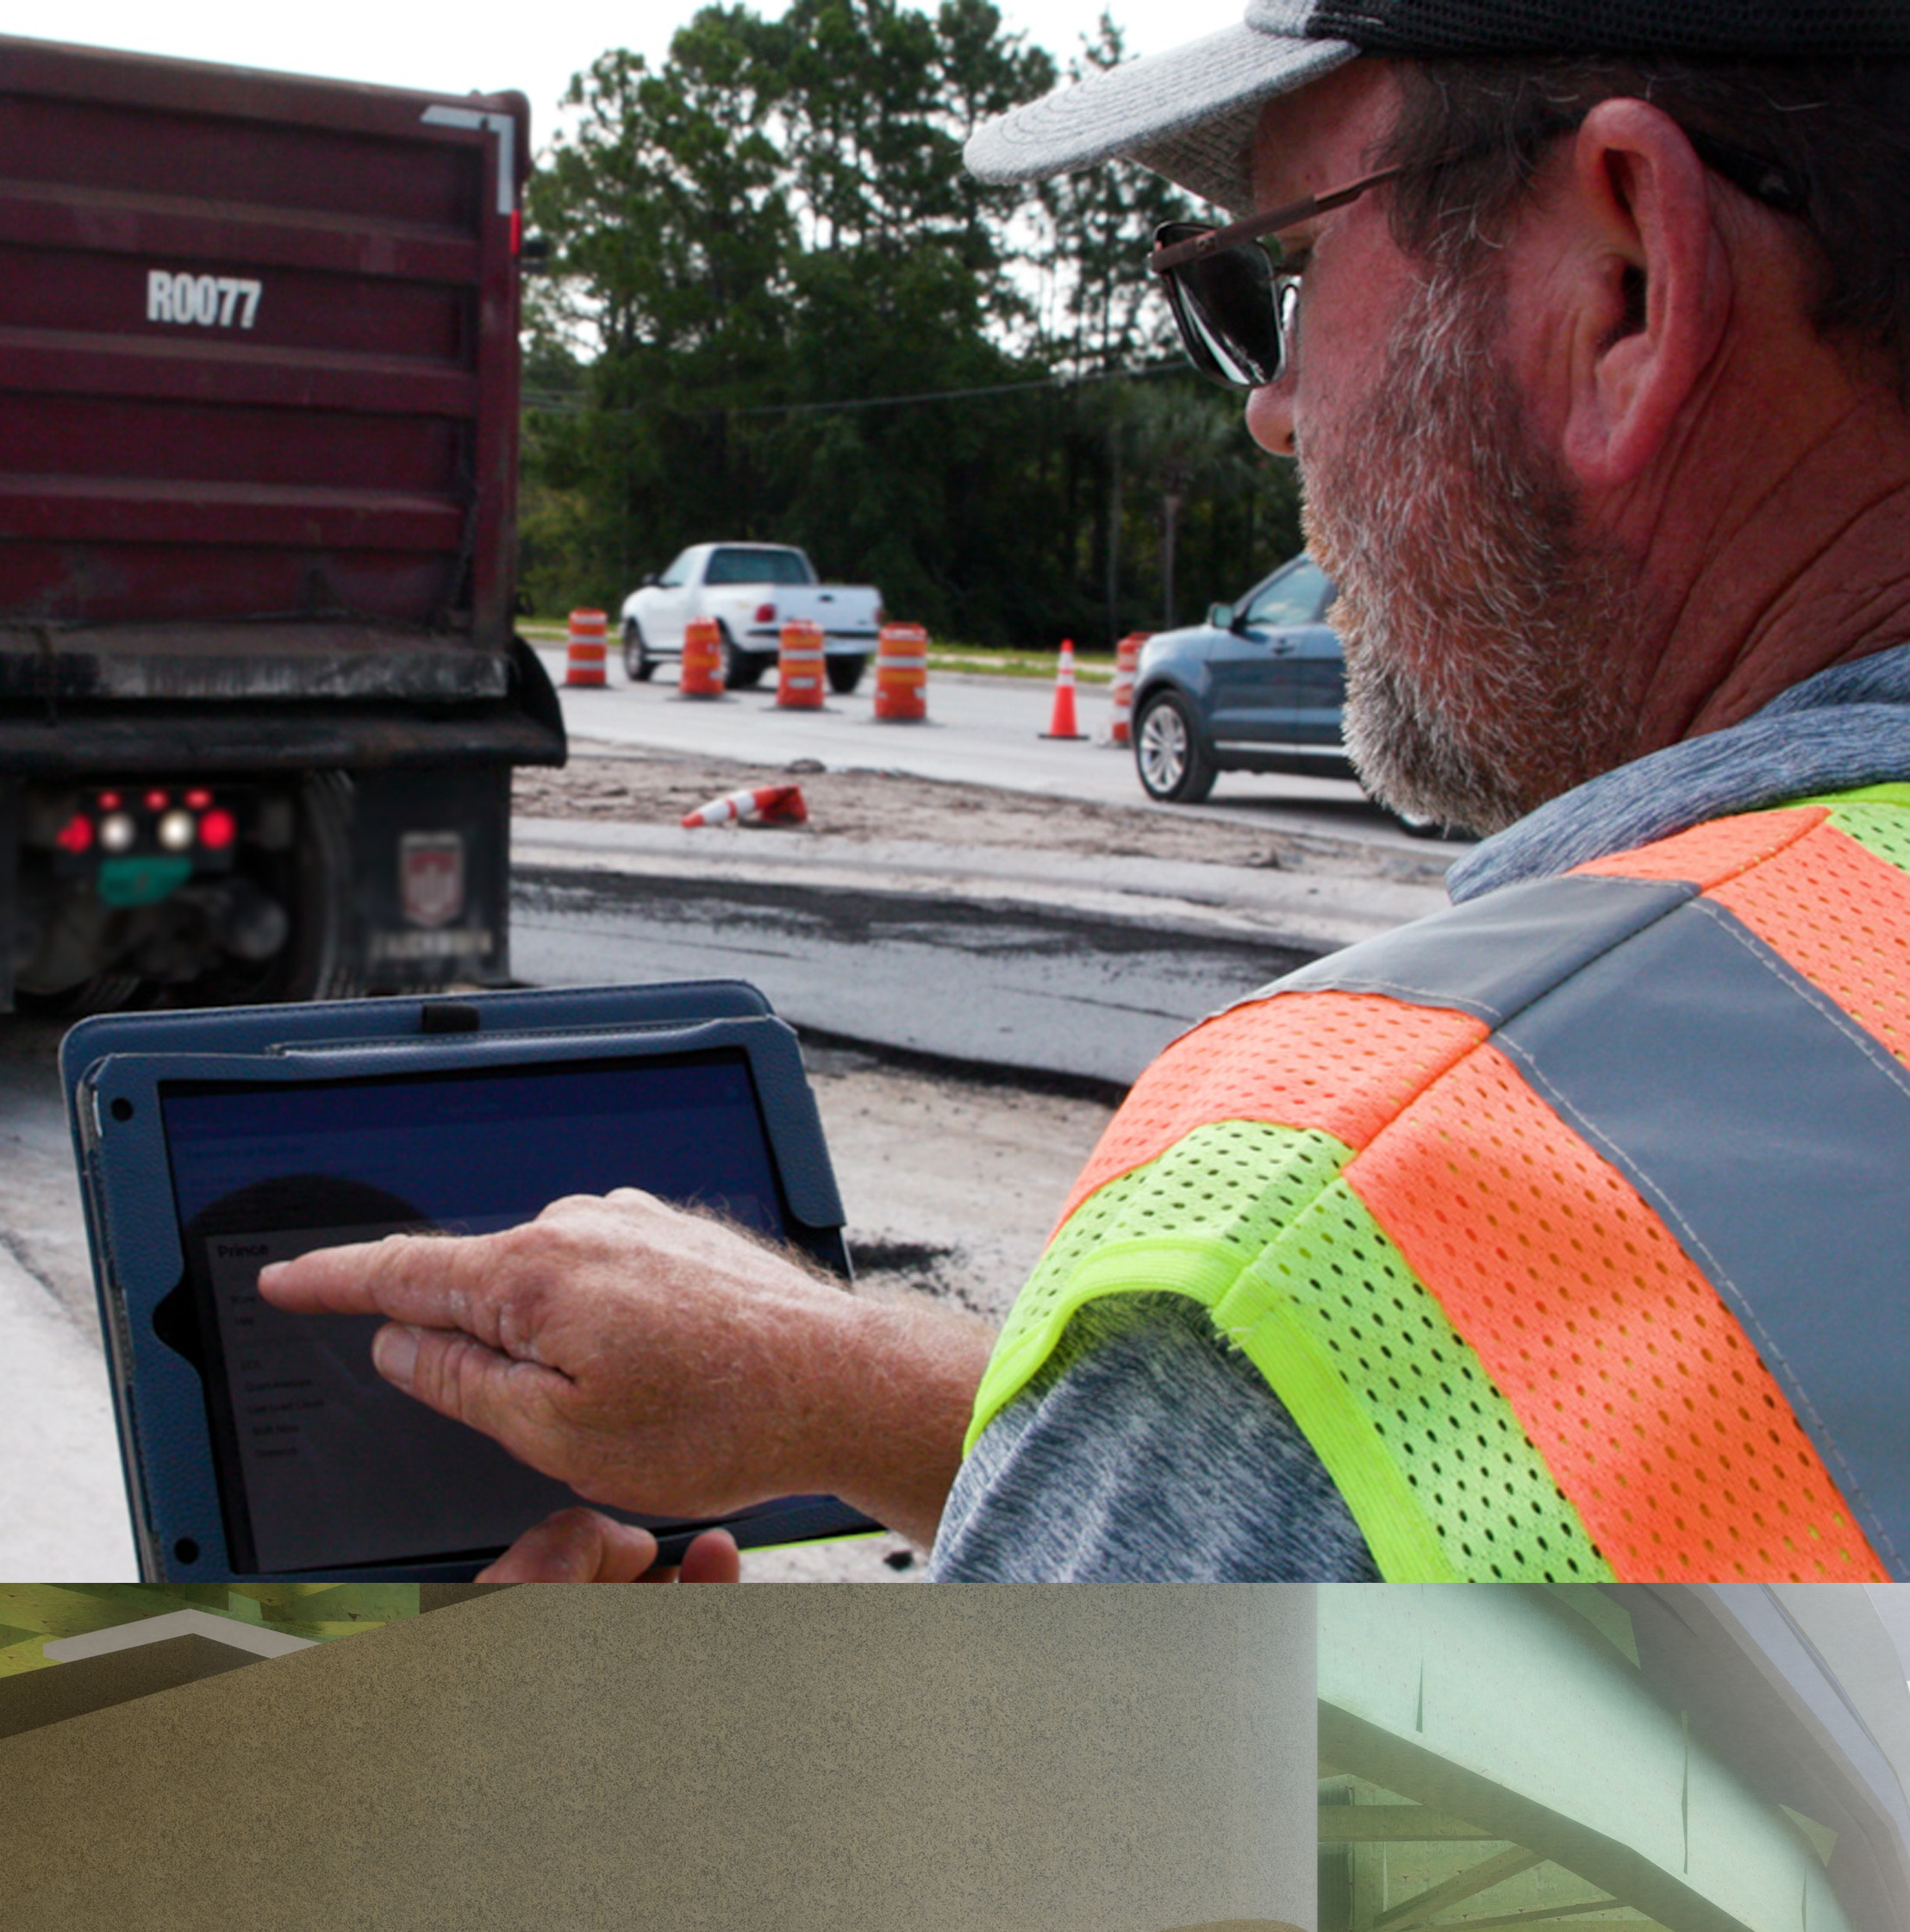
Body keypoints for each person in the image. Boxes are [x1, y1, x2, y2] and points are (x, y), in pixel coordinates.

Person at [262, 0, 1910, 1582]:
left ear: (1623, 284)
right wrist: (837, 1384)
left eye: (1279, 275)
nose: (1271, 411)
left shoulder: (1363, 1222)